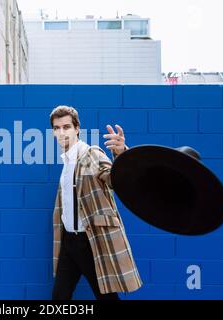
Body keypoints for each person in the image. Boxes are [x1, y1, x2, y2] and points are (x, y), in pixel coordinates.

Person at [50, 105, 142, 300]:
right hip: (69, 242)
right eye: (56, 128)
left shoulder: (90, 154)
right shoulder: (67, 161)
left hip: (89, 241)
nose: (61, 132)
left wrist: (121, 154)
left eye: (66, 127)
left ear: (77, 129)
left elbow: (115, 180)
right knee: (59, 296)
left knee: (106, 297)